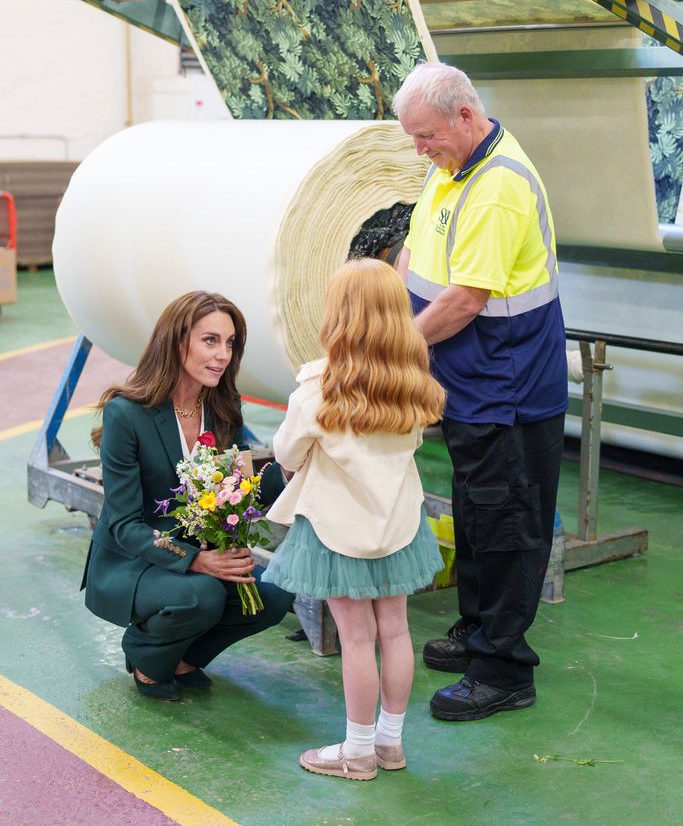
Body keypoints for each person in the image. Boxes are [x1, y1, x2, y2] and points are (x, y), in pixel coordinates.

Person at [392, 62, 568, 723]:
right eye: (413, 138)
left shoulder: (496, 186)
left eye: (426, 136)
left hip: (508, 389)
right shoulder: (450, 168)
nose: (419, 150)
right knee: (474, 514)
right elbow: (415, 253)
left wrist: (392, 348)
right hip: (467, 386)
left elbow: (465, 300)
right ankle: (475, 630)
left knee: (507, 525)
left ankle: (502, 669)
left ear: (465, 116)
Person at [261, 259, 445, 781]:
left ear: (338, 316)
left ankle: (357, 751)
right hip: (399, 524)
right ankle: (390, 744)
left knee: (357, 639)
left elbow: (287, 453)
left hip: (336, 527)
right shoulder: (413, 384)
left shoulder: (319, 388)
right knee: (396, 630)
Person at [82, 291, 292, 701]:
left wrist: (288, 471)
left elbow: (232, 493)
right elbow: (125, 526)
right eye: (210, 341)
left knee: (273, 595)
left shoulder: (223, 405)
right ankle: (144, 655)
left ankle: (183, 658)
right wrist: (196, 560)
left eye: (230, 343)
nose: (223, 355)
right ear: (178, 342)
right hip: (135, 560)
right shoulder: (126, 413)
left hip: (198, 551)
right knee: (203, 594)